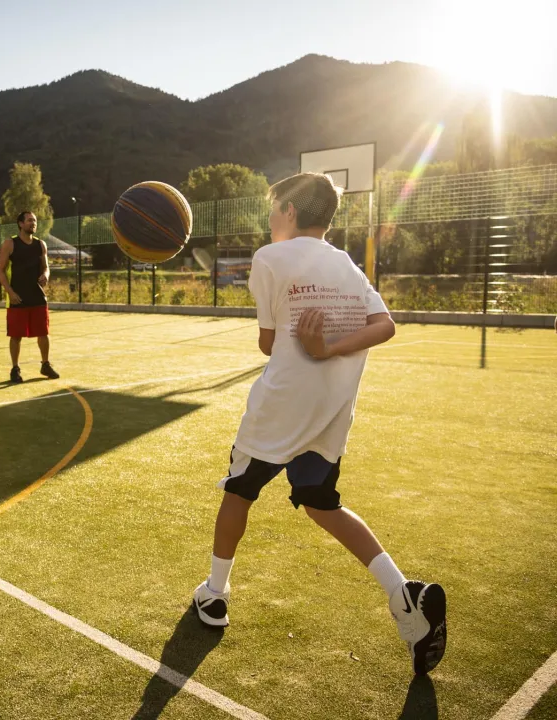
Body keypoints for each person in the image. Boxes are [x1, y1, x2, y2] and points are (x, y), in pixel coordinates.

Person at [192, 173, 446, 676]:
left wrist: (313, 345)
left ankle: (216, 595)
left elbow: (268, 344)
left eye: (272, 210)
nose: (269, 220)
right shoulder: (347, 265)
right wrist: (328, 348)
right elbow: (385, 325)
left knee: (238, 491)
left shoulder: (269, 257)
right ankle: (405, 596)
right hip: (331, 411)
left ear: (288, 211)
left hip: (282, 407)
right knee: (320, 502)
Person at [0, 210, 59, 383]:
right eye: (30, 220)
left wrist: (46, 274)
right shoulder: (10, 244)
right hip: (17, 296)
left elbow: (46, 267)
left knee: (43, 333)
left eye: (35, 221)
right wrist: (10, 292)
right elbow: (0, 271)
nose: (33, 223)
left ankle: (45, 364)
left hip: (37, 296)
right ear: (20, 224)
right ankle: (15, 369)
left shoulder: (41, 245)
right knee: (16, 335)